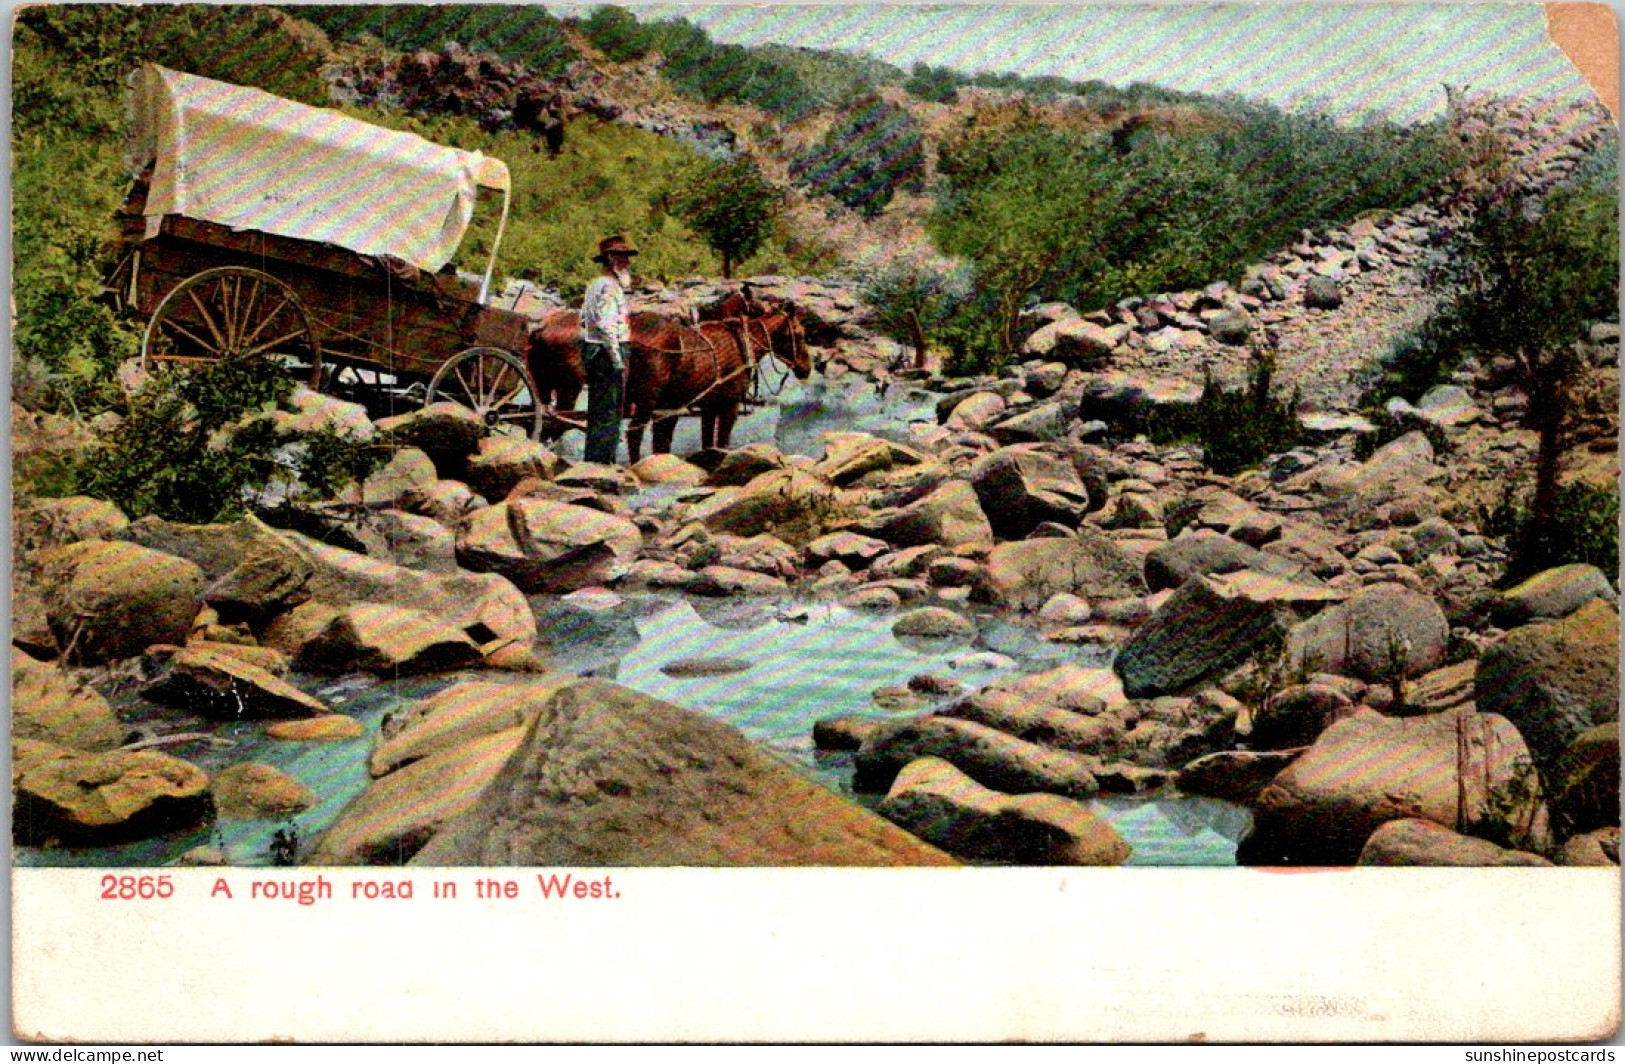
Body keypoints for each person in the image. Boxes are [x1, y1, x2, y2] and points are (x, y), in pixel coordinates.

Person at [580, 235, 636, 464]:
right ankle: (602, 463)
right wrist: (616, 359)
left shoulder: (595, 285)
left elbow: (585, 320)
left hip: (593, 348)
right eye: (623, 258)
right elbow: (605, 324)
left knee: (598, 408)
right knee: (610, 411)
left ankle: (595, 459)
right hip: (606, 352)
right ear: (612, 259)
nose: (627, 264)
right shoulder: (610, 287)